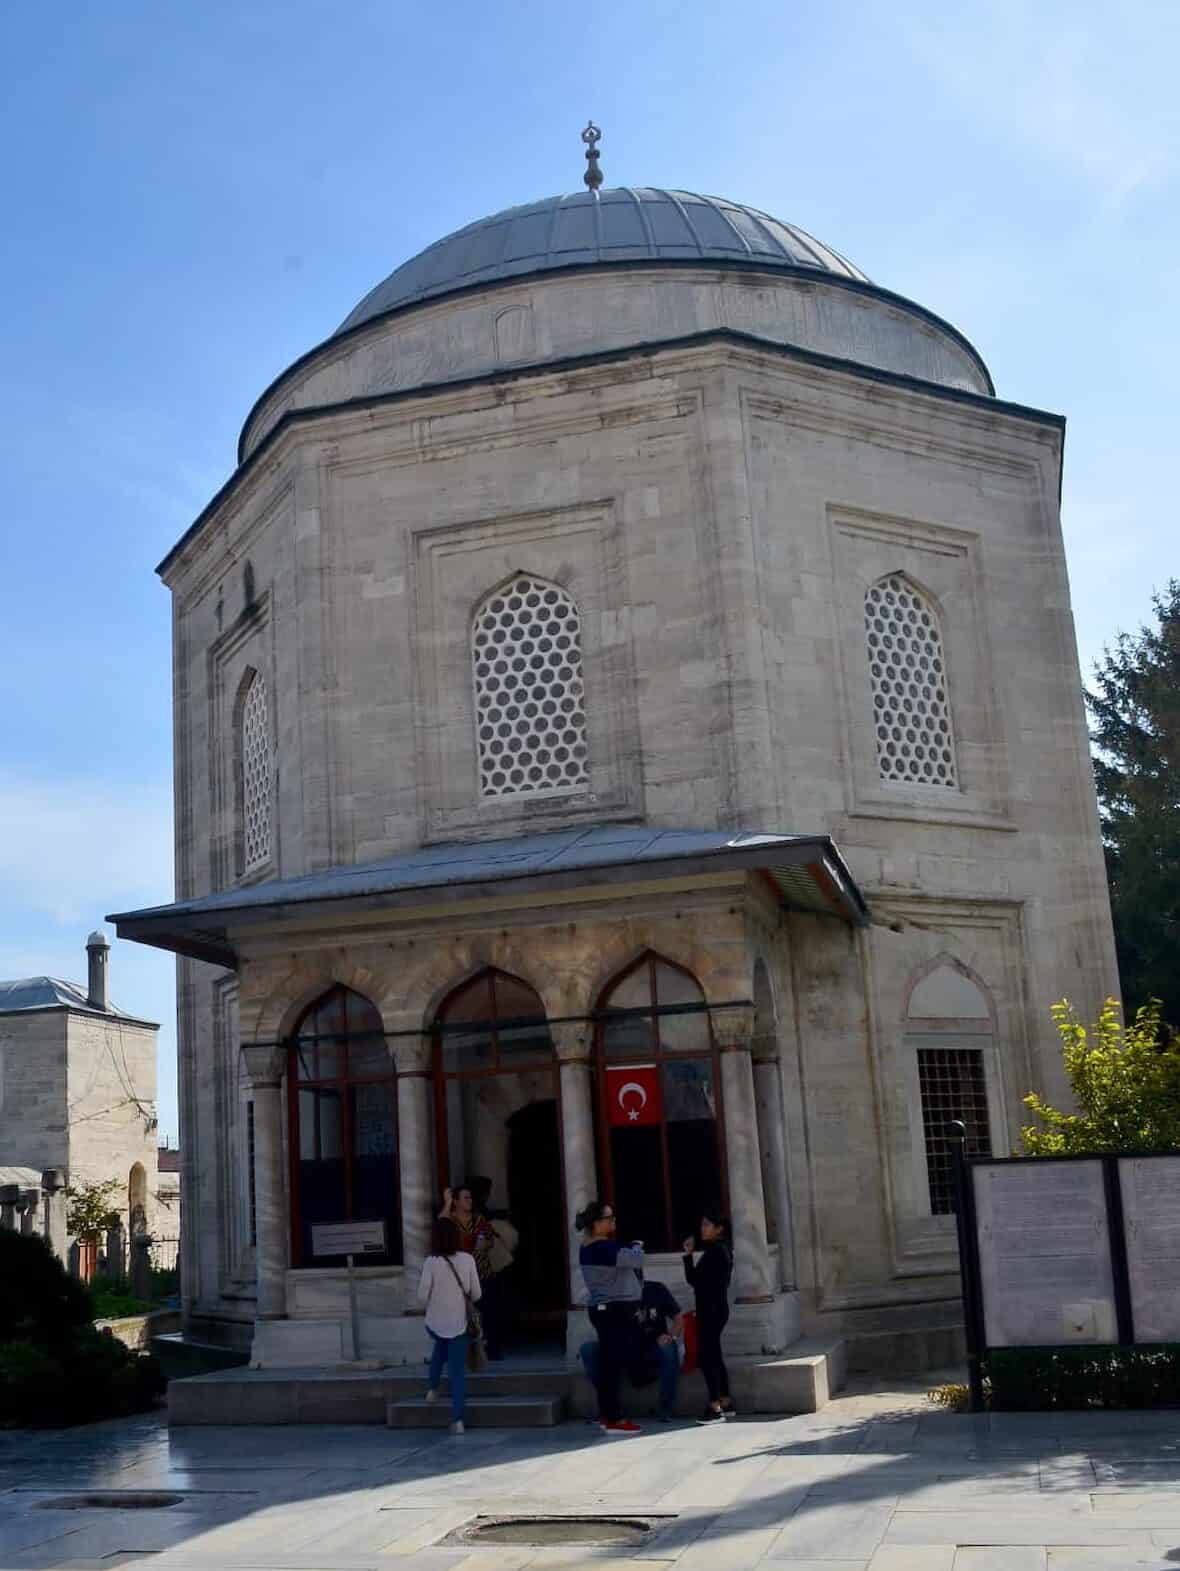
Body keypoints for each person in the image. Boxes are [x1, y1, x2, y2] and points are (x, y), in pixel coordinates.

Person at [577, 1199, 644, 1435]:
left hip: (606, 1311)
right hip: (612, 1311)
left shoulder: (591, 1246)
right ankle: (614, 1417)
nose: (613, 1221)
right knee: (612, 1366)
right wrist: (637, 1246)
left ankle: (608, 1414)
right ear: (597, 1223)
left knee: (608, 1363)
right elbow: (636, 1259)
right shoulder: (602, 1248)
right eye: (609, 1218)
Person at [580, 1278, 683, 1421]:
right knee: (588, 1350)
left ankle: (665, 1408)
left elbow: (678, 1318)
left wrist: (671, 1336)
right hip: (624, 1349)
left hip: (652, 1348)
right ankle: (609, 1406)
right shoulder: (614, 1296)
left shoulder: (656, 1289)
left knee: (669, 1349)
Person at [418, 1216, 481, 1435]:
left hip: (436, 1321)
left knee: (439, 1350)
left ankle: (432, 1388)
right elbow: (477, 1293)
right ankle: (458, 1420)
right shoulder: (467, 1260)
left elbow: (421, 1295)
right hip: (460, 1323)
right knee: (457, 1371)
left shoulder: (430, 1262)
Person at [682, 1208, 734, 1423]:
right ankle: (725, 1401)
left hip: (711, 1311)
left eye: (707, 1225)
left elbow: (697, 1281)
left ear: (718, 1229)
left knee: (707, 1356)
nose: (702, 1229)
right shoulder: (717, 1250)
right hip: (713, 1309)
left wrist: (688, 1257)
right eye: (702, 1224)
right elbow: (696, 1279)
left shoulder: (717, 1251)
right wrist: (688, 1255)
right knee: (714, 1354)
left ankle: (715, 1406)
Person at [439, 1182, 501, 1357]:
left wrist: (485, 1244)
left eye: (471, 1198)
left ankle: (491, 1350)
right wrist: (447, 1202)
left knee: (488, 1312)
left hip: (481, 1272)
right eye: (465, 1198)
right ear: (456, 1202)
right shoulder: (450, 1219)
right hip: (458, 1276)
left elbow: (491, 1240)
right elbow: (440, 1224)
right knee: (460, 1315)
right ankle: (462, 1352)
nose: (470, 1201)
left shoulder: (479, 1219)